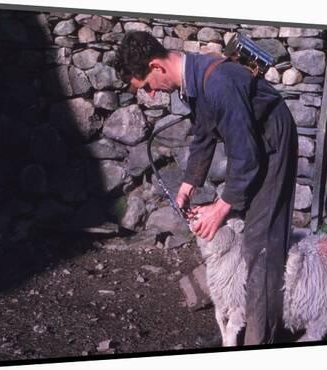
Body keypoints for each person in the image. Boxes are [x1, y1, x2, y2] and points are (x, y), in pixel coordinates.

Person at [115, 30, 298, 345]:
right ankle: (244, 322)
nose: (152, 94)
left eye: (146, 86)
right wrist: (190, 181)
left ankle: (260, 340)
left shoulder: (218, 83)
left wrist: (221, 207)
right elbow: (203, 132)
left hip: (272, 140)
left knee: (261, 242)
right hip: (254, 142)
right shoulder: (193, 81)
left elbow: (246, 157)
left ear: (157, 66)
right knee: (247, 234)